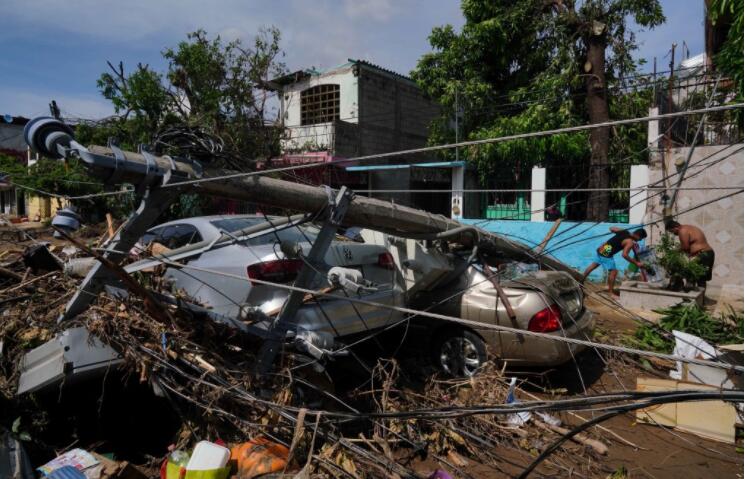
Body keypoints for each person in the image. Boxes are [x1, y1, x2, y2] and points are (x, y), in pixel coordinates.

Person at [582, 227, 648, 295]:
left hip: (603, 248)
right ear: (638, 235)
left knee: (593, 265)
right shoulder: (630, 242)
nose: (640, 240)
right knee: (613, 272)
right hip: (607, 253)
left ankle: (580, 281)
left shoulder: (625, 232)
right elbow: (624, 255)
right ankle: (611, 293)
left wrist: (619, 232)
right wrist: (637, 263)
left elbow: (611, 228)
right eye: (641, 238)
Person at [664, 220, 715, 289]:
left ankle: (694, 297)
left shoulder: (682, 230)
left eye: (672, 231)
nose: (673, 234)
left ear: (676, 227)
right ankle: (699, 298)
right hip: (707, 253)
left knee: (695, 278)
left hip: (703, 254)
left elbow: (685, 247)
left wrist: (674, 253)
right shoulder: (689, 228)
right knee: (699, 279)